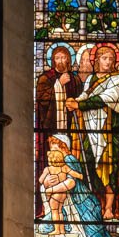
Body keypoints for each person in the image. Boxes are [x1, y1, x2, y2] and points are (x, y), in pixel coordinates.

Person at [65, 43, 119, 219]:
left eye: (111, 59)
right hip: (89, 129)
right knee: (90, 166)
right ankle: (94, 205)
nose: (108, 62)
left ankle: (109, 208)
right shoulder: (92, 79)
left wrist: (80, 104)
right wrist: (74, 101)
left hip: (110, 130)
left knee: (109, 168)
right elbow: (86, 94)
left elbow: (105, 98)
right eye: (104, 58)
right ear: (97, 60)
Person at [35, 45, 82, 198]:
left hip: (70, 129)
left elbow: (81, 103)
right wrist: (58, 85)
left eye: (64, 57)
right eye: (57, 58)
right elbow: (41, 100)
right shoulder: (44, 78)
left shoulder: (75, 80)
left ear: (69, 59)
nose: (61, 61)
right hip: (50, 130)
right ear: (53, 60)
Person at [38, 149, 77, 236]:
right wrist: (81, 176)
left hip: (54, 194)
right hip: (63, 193)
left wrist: (45, 180)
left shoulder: (48, 169)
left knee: (55, 211)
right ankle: (62, 230)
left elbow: (40, 180)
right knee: (59, 211)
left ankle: (57, 230)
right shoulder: (65, 167)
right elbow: (74, 174)